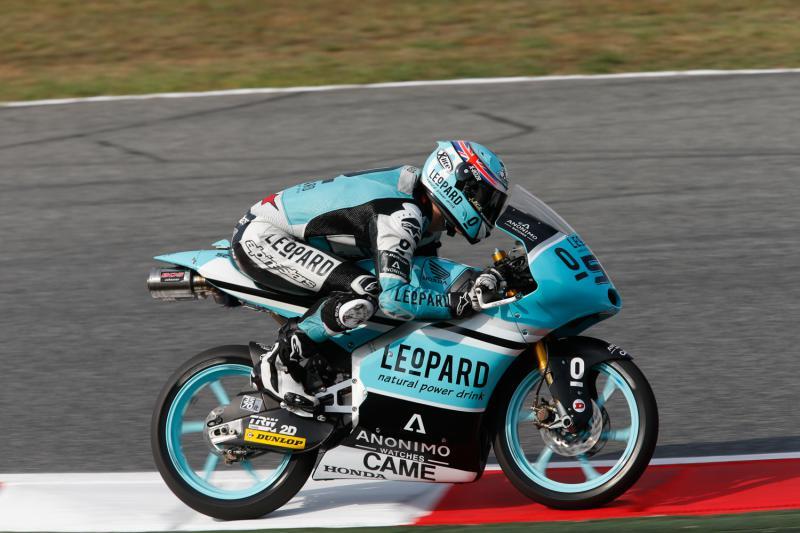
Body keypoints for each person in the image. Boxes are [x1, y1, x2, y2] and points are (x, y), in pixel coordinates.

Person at [232, 140, 509, 415]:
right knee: (366, 292)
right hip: (265, 237)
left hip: (297, 236)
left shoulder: (424, 206)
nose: (489, 208)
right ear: (457, 185)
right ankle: (281, 360)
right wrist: (456, 303)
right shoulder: (402, 216)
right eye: (484, 198)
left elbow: (425, 279)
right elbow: (395, 299)